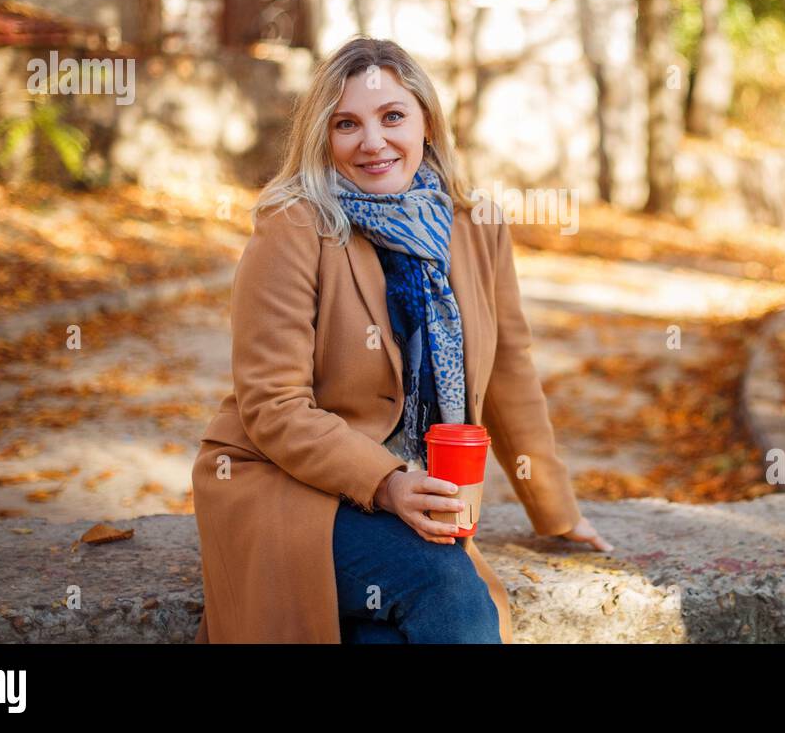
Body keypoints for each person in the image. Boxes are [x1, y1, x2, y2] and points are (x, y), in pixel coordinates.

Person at [191, 35, 612, 644]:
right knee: (444, 585)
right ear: (322, 138)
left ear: (428, 124)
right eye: (347, 124)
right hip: (288, 487)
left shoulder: (474, 226)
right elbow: (271, 406)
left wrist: (555, 509)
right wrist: (388, 482)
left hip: (410, 496)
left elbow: (511, 373)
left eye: (393, 116)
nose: (373, 141)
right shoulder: (293, 227)